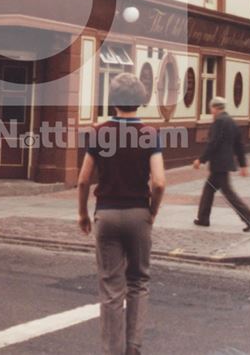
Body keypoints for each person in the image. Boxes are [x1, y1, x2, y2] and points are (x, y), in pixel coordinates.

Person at [77, 73, 166, 355]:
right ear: (140, 101)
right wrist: (152, 211)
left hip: (107, 214)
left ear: (113, 101)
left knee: (111, 286)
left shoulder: (99, 133)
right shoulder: (150, 134)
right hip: (138, 213)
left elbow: (82, 180)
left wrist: (82, 214)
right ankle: (133, 347)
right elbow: (160, 182)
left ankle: (112, 350)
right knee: (138, 281)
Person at [192, 96, 250, 232]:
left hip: (219, 164)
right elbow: (239, 145)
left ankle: (248, 217)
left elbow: (213, 143)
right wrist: (243, 165)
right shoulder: (231, 122)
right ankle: (203, 218)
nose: (211, 111)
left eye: (211, 108)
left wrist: (201, 159)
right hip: (224, 163)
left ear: (215, 108)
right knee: (209, 189)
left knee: (228, 193)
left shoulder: (219, 122)